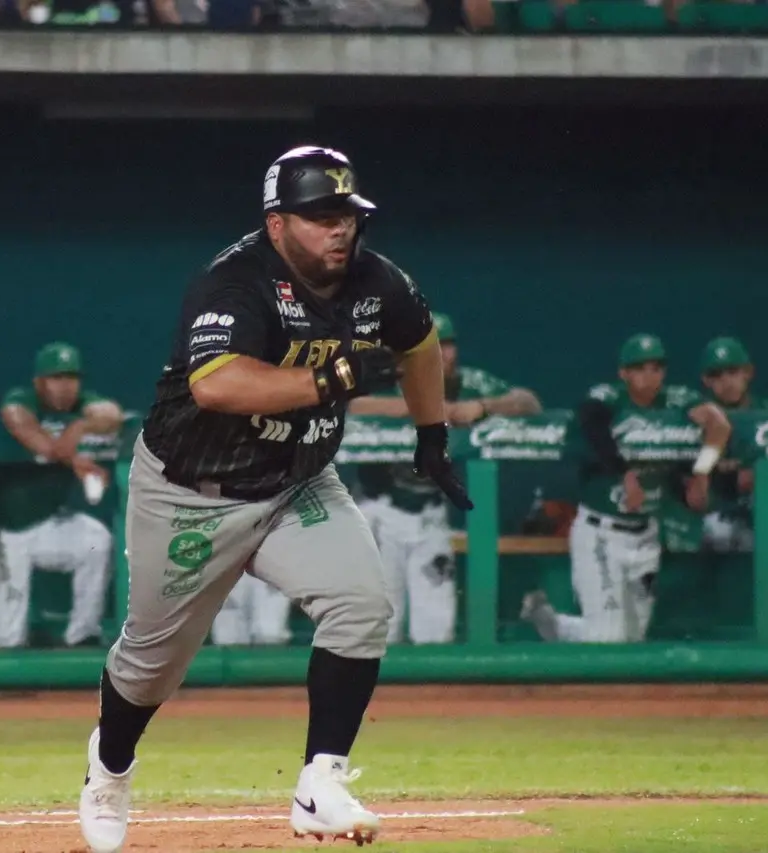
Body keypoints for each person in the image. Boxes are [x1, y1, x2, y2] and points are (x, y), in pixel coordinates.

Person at [76, 145, 472, 853]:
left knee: (361, 604)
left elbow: (419, 342)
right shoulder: (236, 282)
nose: (340, 229)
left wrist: (431, 434)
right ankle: (109, 767)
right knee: (151, 664)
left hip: (295, 483)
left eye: (347, 214)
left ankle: (321, 781)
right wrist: (335, 379)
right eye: (321, 215)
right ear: (278, 223)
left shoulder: (377, 281)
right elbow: (217, 385)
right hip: (190, 492)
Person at [521, 334, 731, 643]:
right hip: (601, 534)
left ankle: (553, 624)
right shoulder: (608, 398)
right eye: (640, 368)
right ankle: (548, 621)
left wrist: (701, 471)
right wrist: (623, 472)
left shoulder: (677, 401)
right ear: (624, 373)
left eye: (656, 367)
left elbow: (719, 425)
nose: (649, 376)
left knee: (632, 639)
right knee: (608, 639)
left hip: (645, 535)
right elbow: (589, 420)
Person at [350, 312, 541, 644]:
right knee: (378, 627)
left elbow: (530, 403)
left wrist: (482, 406)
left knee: (436, 630)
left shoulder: (470, 384)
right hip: (381, 514)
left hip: (430, 517)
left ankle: (432, 698)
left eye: (446, 346)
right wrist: (425, 407)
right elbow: (353, 405)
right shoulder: (387, 376)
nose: (440, 355)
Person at [0, 342, 124, 649]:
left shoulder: (82, 405)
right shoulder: (20, 400)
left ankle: (83, 633)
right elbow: (40, 442)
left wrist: (80, 424)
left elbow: (112, 414)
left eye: (72, 378)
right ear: (39, 382)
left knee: (96, 542)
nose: (66, 386)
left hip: (43, 520)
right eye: (56, 378)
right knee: (7, 637)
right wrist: (74, 458)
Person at [695, 336, 768, 554]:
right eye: (716, 375)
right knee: (717, 532)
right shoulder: (696, 416)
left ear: (748, 372)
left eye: (732, 372)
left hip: (765, 511)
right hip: (715, 514)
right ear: (706, 380)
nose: (726, 381)